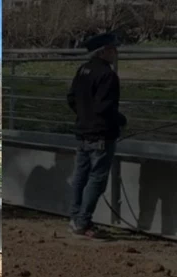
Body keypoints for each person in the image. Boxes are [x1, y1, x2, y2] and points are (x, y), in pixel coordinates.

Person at [66, 32, 126, 240]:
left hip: (83, 132)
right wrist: (120, 120)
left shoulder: (83, 70)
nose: (115, 52)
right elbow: (105, 107)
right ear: (104, 51)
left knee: (80, 176)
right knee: (97, 180)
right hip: (101, 134)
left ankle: (75, 218)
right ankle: (83, 222)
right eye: (113, 49)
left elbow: (71, 98)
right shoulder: (107, 75)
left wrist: (84, 115)